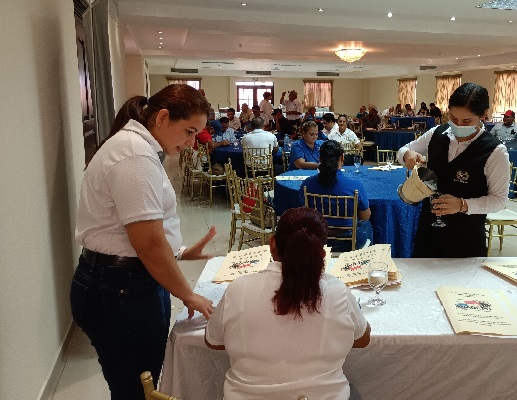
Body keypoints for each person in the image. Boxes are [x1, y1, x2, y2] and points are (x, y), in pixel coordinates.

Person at [71, 84, 216, 399]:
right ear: (163, 117)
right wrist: (188, 295)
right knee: (136, 387)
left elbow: (135, 230)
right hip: (119, 286)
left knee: (139, 379)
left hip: (127, 280)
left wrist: (178, 252)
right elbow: (147, 244)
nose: (192, 143)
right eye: (189, 131)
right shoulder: (134, 154)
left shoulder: (140, 148)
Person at [205, 207, 370, 399]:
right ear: (322, 253)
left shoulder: (238, 289)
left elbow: (214, 342)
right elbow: (362, 340)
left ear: (272, 243)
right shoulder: (337, 291)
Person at [398, 82, 510, 258]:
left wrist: (463, 205)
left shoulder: (495, 151)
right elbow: (403, 150)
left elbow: (499, 200)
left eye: (467, 121)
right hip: (428, 230)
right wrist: (407, 155)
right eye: (453, 118)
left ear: (483, 115)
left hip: (466, 236)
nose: (458, 125)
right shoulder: (437, 133)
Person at [299, 140, 373, 251]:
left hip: (317, 238)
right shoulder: (355, 186)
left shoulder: (307, 184)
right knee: (368, 225)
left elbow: (304, 212)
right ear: (342, 159)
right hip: (348, 241)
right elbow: (365, 216)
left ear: (320, 159)